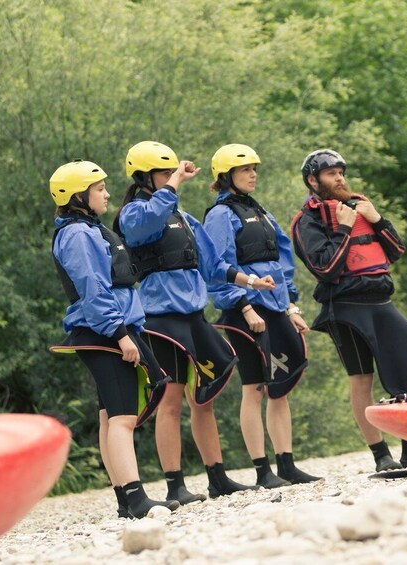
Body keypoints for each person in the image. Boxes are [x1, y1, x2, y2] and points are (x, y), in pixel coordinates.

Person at [114, 141, 275, 501]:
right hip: (161, 319)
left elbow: (214, 266)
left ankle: (217, 478)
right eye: (163, 174)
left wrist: (250, 282)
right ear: (145, 177)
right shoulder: (134, 213)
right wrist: (174, 184)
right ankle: (175, 485)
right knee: (170, 403)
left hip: (193, 316)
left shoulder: (184, 219)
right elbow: (145, 226)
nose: (170, 179)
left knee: (204, 399)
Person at [291, 149, 407, 472]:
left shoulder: (359, 206)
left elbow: (396, 251)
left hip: (381, 302)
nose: (339, 178)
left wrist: (377, 220)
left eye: (341, 172)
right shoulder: (306, 222)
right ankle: (380, 455)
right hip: (345, 308)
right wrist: (344, 228)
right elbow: (325, 269)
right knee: (361, 379)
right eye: (331, 174)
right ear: (313, 180)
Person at [48, 160, 178, 518]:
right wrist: (121, 335)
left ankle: (126, 498)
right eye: (99, 189)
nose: (106, 194)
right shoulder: (77, 235)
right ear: (79, 196)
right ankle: (136, 498)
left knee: (110, 416)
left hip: (107, 328)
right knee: (123, 417)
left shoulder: (88, 228)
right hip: (104, 330)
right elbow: (93, 289)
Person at [203, 143, 321, 486]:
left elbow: (282, 261)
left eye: (254, 168)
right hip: (245, 311)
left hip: (274, 308)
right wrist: (244, 305)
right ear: (227, 177)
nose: (253, 174)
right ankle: (261, 470)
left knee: (280, 387)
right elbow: (217, 267)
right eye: (245, 170)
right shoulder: (220, 215)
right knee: (253, 387)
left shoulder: (261, 212)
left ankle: (286, 464)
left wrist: (291, 306)